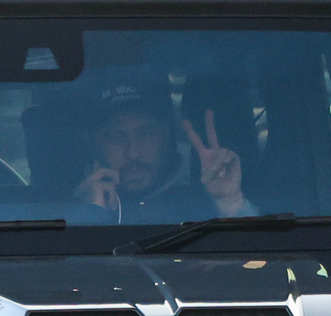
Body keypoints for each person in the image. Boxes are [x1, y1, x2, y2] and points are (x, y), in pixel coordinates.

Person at [71, 87, 253, 222]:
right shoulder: (60, 210)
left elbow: (253, 257)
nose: (133, 153)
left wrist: (231, 202)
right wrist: (91, 213)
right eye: (116, 138)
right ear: (96, 143)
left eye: (146, 134)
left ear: (166, 136)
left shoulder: (202, 203)